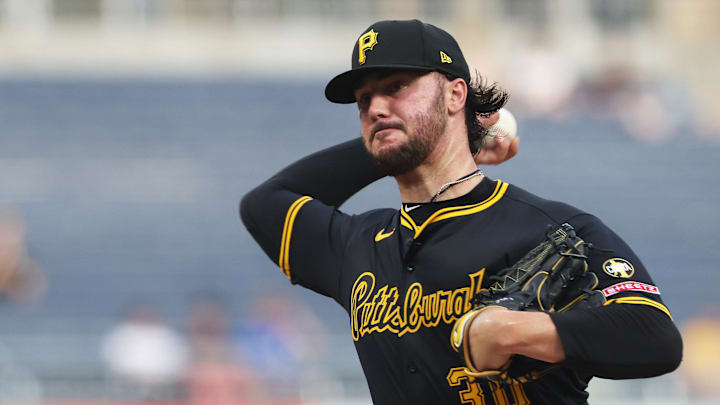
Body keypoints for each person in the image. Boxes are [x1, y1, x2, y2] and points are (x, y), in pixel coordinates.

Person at [240, 19, 682, 405]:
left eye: (396, 88)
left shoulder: (548, 229)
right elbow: (265, 205)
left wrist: (515, 331)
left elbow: (655, 337)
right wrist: (408, 135)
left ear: (455, 95)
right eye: (364, 100)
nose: (375, 108)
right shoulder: (356, 246)